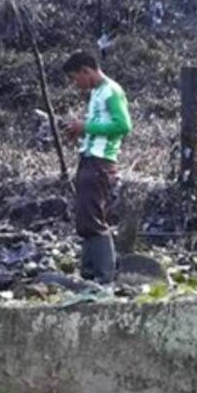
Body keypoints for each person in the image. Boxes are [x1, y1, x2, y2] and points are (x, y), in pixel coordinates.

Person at [61, 51, 132, 285]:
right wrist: (80, 131)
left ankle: (104, 277)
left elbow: (123, 125)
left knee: (92, 218)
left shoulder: (111, 90)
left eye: (75, 78)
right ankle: (88, 274)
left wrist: (86, 127)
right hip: (89, 158)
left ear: (86, 71)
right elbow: (100, 125)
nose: (76, 84)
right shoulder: (96, 93)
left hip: (101, 162)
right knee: (84, 217)